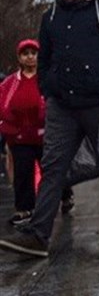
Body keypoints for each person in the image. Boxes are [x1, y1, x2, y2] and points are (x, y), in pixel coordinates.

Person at [0, 0, 99, 258]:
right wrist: (48, 90)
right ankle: (39, 235)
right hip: (63, 104)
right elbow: (45, 59)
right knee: (52, 167)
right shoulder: (50, 17)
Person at [0, 39, 75, 226]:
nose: (30, 57)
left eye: (33, 53)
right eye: (26, 54)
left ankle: (66, 195)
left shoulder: (47, 78)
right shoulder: (10, 83)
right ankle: (24, 208)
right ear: (19, 57)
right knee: (23, 172)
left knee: (52, 170)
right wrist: (8, 129)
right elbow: (4, 106)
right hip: (20, 137)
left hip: (47, 135)